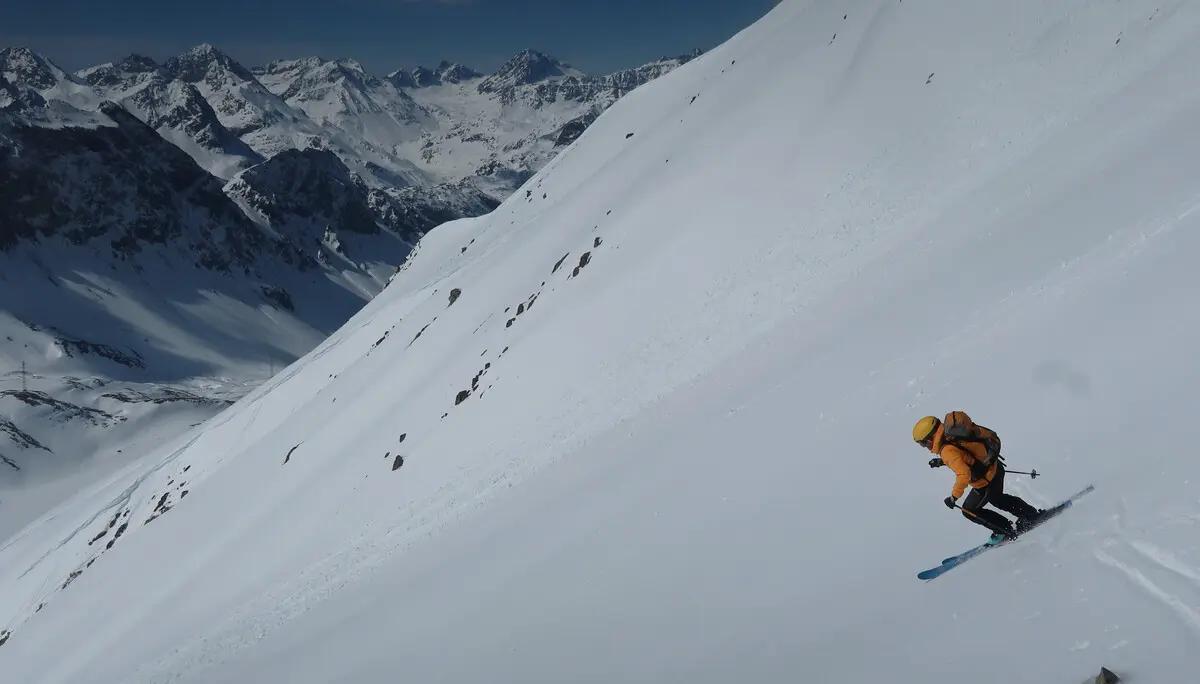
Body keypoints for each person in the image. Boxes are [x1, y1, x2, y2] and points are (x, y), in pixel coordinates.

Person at [913, 413, 1045, 542]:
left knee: (969, 510)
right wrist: (941, 462)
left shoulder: (946, 450)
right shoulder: (951, 434)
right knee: (997, 498)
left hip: (986, 481)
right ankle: (1029, 514)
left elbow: (964, 474)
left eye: (923, 444)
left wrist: (953, 497)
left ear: (930, 439)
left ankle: (1004, 530)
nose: (925, 447)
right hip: (995, 467)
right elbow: (965, 455)